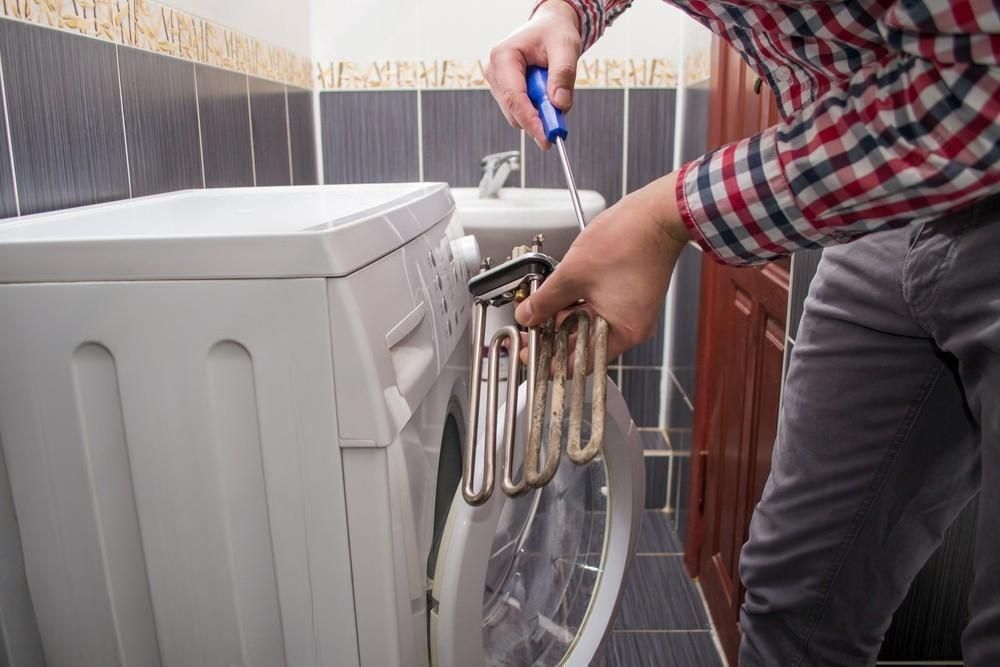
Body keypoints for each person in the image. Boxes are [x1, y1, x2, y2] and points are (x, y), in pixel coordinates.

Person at [485, 1, 1000, 665]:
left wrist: (665, 216)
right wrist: (569, 12)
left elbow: (974, 87)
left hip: (960, 131)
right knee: (793, 599)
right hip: (885, 205)